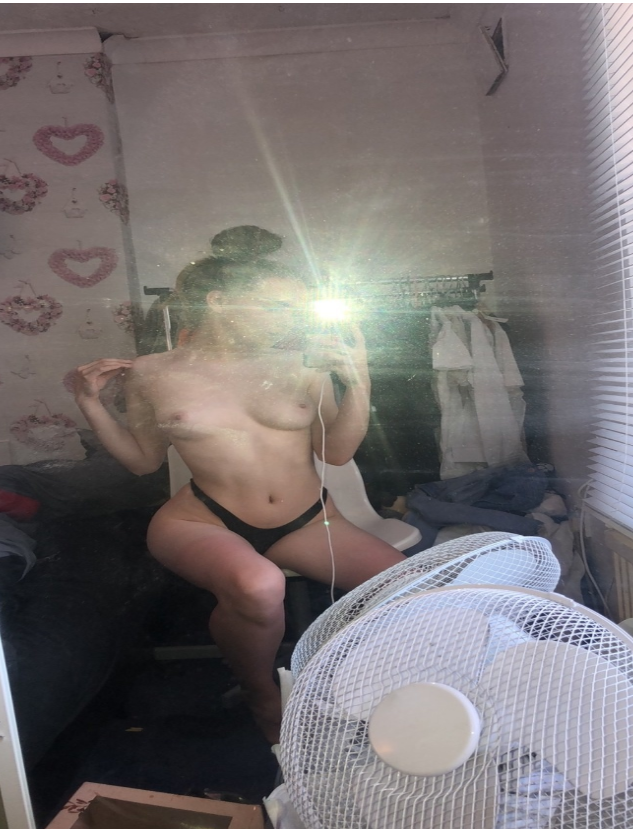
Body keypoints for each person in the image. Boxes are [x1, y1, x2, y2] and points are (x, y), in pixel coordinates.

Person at [74, 226, 405, 743]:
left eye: (295, 310)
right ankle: (261, 694)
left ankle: (370, 685)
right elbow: (143, 461)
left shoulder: (305, 364)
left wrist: (359, 377)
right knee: (259, 585)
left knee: (405, 585)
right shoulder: (151, 373)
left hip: (308, 520)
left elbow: (336, 452)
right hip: (201, 520)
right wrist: (90, 403)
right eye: (275, 307)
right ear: (220, 301)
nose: (288, 320)